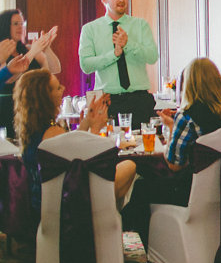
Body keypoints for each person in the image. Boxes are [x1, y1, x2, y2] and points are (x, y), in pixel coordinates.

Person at [121, 57, 221, 246]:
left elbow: (174, 165)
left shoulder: (188, 115)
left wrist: (173, 129)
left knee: (141, 187)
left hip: (194, 191)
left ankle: (149, 247)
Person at [13, 69, 137, 212]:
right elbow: (89, 160)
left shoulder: (32, 129)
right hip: (69, 201)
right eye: (58, 88)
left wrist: (87, 121)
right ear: (46, 97)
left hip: (41, 202)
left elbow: (71, 148)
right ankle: (107, 215)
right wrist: (95, 128)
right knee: (129, 166)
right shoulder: (53, 133)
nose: (63, 88)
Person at [79, 0, 159, 126]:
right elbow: (86, 65)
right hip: (108, 100)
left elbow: (152, 56)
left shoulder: (140, 25)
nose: (122, 0)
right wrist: (114, 55)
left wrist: (128, 45)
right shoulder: (90, 29)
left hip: (139, 99)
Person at [1, 8, 61, 136]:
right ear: (5, 25)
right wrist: (33, 52)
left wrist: (47, 49)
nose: (20, 27)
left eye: (22, 23)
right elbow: (8, 78)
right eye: (15, 24)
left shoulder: (27, 48)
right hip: (9, 108)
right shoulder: (3, 52)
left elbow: (54, 69)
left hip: (34, 108)